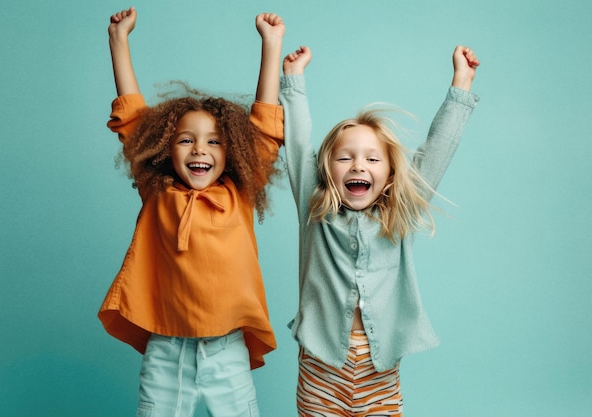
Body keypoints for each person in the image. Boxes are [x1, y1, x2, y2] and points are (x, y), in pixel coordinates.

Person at [98, 6, 285, 417]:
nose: (200, 149)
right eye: (186, 140)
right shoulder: (158, 191)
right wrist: (119, 41)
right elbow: (132, 120)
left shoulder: (240, 193)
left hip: (226, 350)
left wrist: (271, 48)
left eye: (214, 142)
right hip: (166, 349)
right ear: (165, 147)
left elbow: (267, 130)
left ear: (232, 151)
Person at [279, 45, 480, 416]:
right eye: (345, 157)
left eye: (372, 159)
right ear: (326, 172)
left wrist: (461, 85)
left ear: (389, 175)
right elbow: (298, 144)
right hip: (321, 374)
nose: (358, 165)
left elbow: (437, 151)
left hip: (380, 375)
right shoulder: (315, 208)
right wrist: (293, 79)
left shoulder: (398, 216)